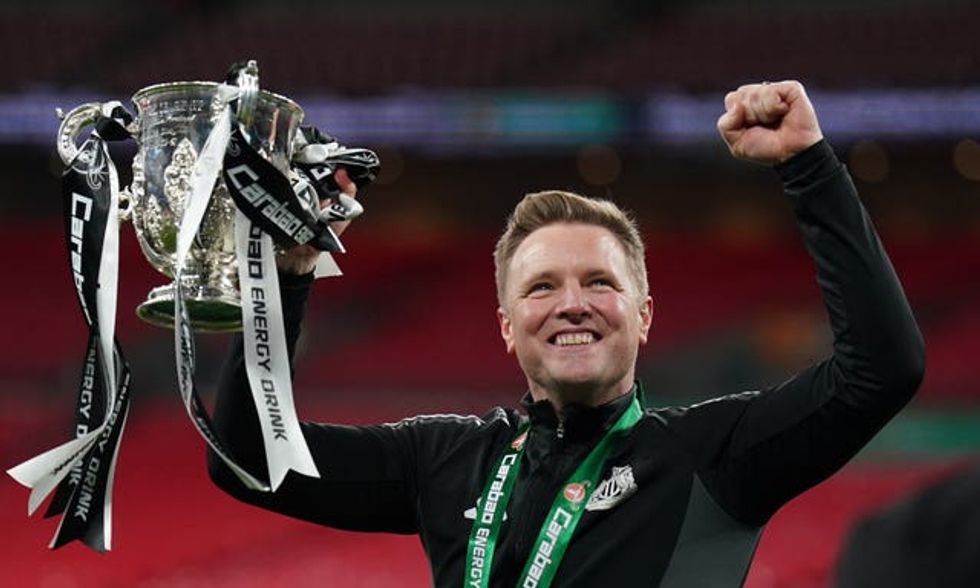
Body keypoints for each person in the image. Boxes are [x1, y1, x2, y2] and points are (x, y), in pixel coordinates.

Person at [208, 81, 924, 586]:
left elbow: (881, 370)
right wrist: (288, 271)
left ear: (644, 316)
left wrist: (808, 166)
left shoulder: (712, 456)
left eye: (600, 282)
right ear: (507, 326)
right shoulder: (443, 460)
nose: (572, 304)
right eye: (542, 287)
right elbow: (247, 457)